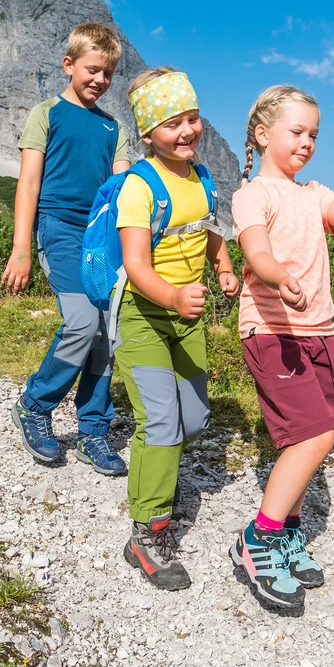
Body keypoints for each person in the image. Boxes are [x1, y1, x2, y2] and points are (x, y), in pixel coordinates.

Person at [228, 85, 334, 614]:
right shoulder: (253, 195)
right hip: (272, 331)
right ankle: (260, 537)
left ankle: (288, 530)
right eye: (297, 131)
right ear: (263, 134)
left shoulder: (312, 192)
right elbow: (257, 252)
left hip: (318, 331)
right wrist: (277, 277)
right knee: (317, 434)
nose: (308, 142)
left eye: (314, 134)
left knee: (308, 436)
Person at [116, 68, 241, 590]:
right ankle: (148, 532)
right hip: (142, 315)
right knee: (162, 423)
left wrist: (225, 268)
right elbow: (137, 264)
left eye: (192, 118)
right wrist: (171, 295)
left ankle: (156, 466)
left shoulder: (202, 178)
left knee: (193, 419)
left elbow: (209, 230)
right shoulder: (138, 186)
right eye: (173, 124)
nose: (187, 131)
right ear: (149, 134)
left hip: (185, 320)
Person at [5, 23, 134, 473]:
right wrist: (22, 247)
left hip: (100, 239)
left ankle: (93, 431)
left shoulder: (112, 127)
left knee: (107, 331)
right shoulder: (46, 114)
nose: (99, 80)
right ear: (69, 65)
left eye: (108, 74)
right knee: (82, 322)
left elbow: (121, 190)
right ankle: (35, 404)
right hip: (57, 228)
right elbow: (29, 182)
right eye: (92, 69)